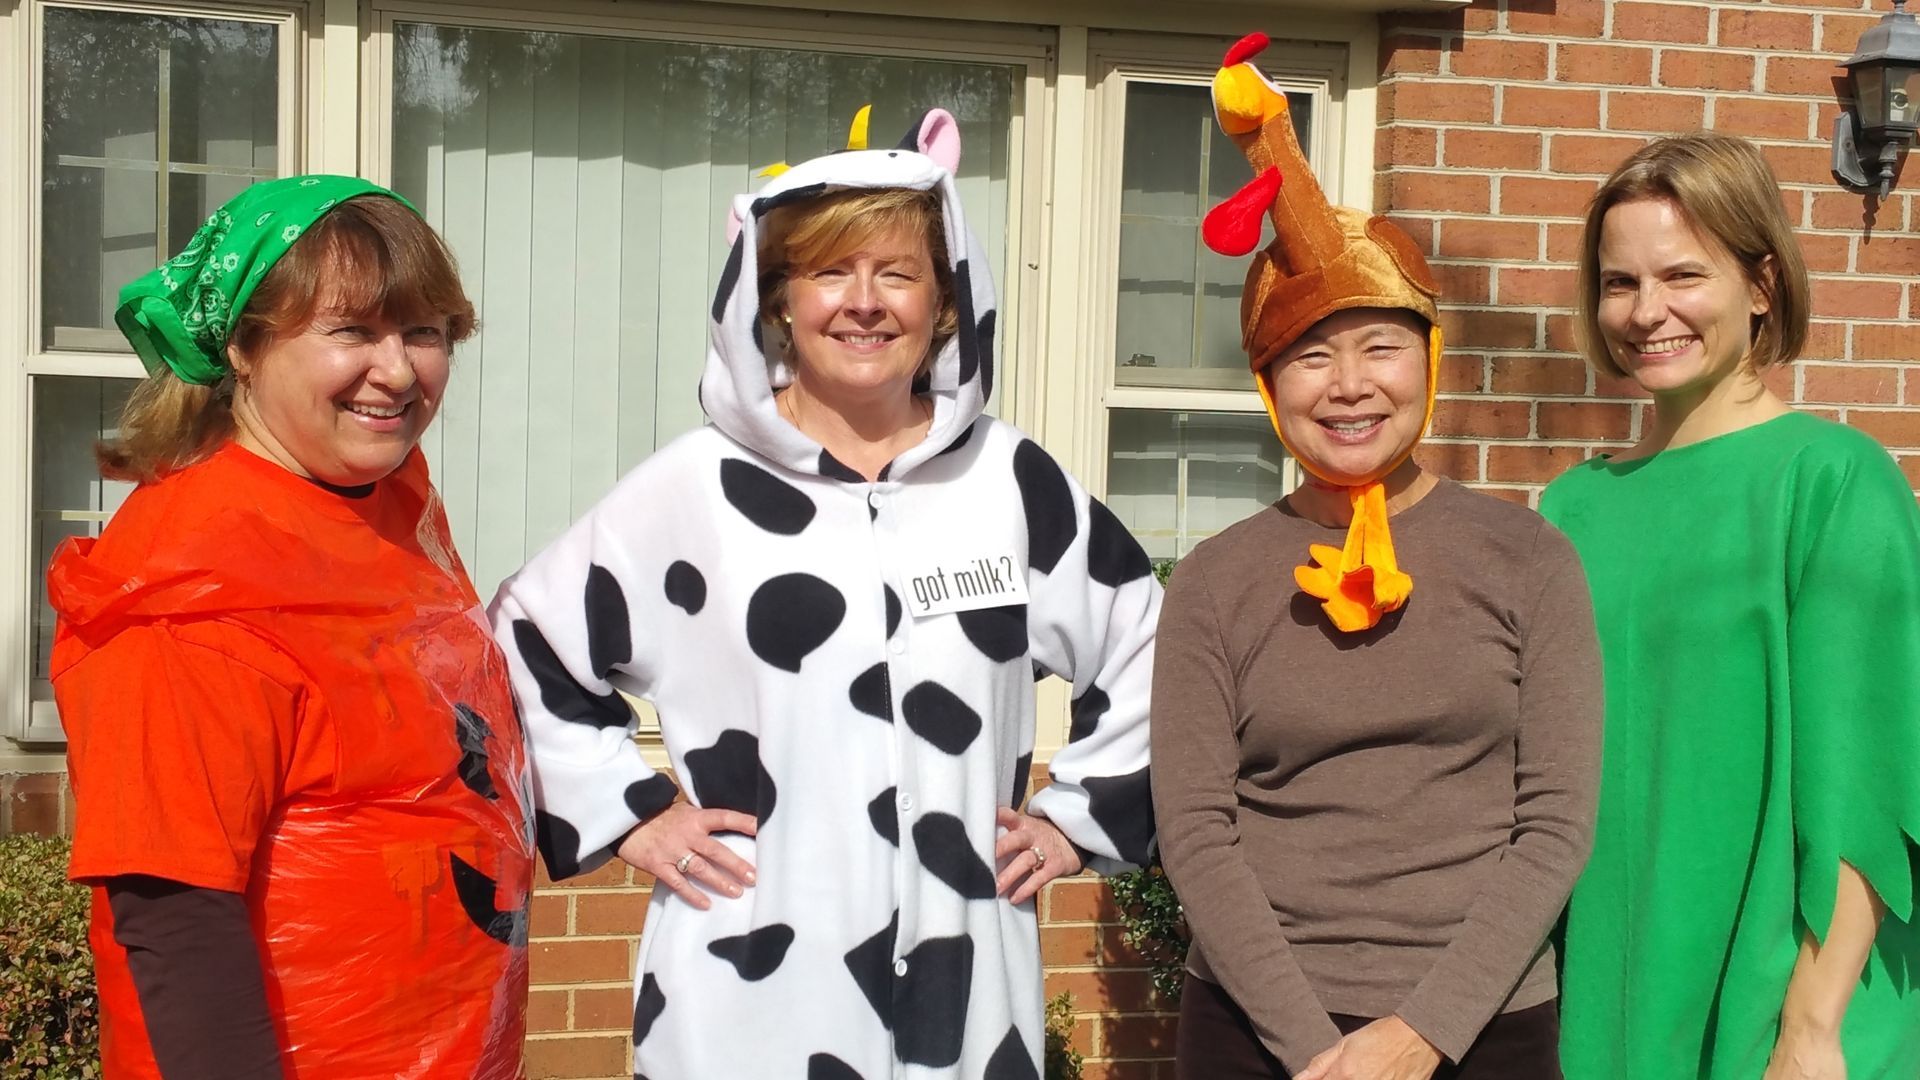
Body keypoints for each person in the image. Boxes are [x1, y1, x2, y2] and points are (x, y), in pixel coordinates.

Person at [490, 107, 1159, 1079]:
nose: (865, 302)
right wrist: (629, 812)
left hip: (964, 995)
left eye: (897, 272)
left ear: (945, 297)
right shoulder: (696, 493)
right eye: (830, 272)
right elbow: (522, 647)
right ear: (777, 299)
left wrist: (1074, 820)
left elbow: (1150, 651)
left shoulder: (1012, 486)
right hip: (749, 987)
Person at [1152, 34, 1603, 1080]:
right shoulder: (1218, 580)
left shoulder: (1528, 558)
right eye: (1310, 354)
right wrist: (1317, 1050)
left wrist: (1420, 1034)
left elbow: (1557, 821)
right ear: (1270, 387)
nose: (1348, 384)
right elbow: (1198, 832)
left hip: (1481, 1027)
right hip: (1259, 1033)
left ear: (1429, 359)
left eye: (1380, 345)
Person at [48, 176, 532, 1079]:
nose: (397, 370)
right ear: (242, 345)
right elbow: (172, 913)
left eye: (423, 332)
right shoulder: (191, 585)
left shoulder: (381, 509)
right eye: (351, 330)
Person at [1542, 132, 1920, 1080]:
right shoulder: (1573, 506)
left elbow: (1869, 786)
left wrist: (1812, 1024)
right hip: (1606, 985)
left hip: (1781, 999)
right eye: (1619, 282)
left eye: (1681, 274)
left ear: (1761, 285)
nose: (1647, 311)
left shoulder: (1833, 481)